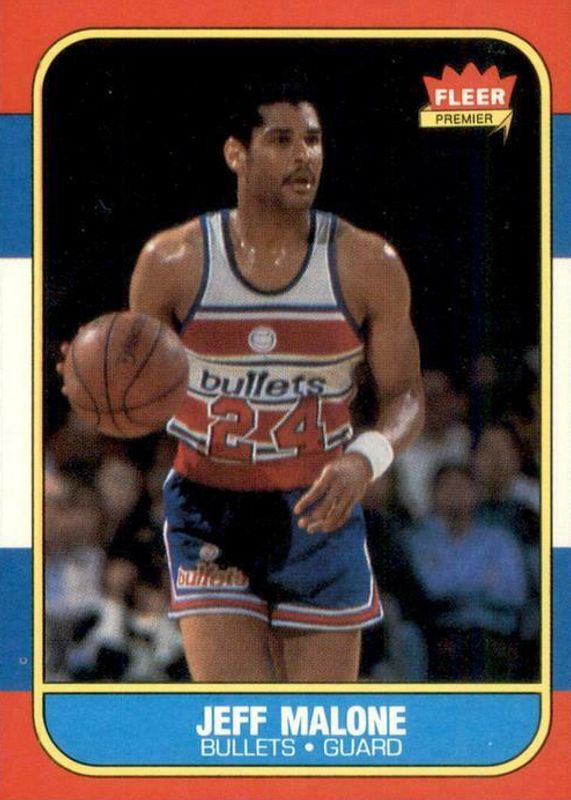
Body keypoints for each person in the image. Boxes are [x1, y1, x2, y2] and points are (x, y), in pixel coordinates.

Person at [126, 80, 424, 682]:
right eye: (282, 140)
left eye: (313, 140)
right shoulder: (170, 262)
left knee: (314, 725)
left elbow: (406, 395)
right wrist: (99, 392)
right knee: (239, 716)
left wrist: (364, 459)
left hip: (318, 506)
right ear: (236, 154)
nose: (304, 155)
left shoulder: (368, 262)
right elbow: (134, 398)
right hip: (209, 505)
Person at [403, 464, 528, 681]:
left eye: (462, 487)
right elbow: (429, 589)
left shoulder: (499, 539)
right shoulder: (418, 540)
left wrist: (452, 577)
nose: (455, 494)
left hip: (494, 634)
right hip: (442, 633)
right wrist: (483, 579)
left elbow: (514, 594)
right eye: (447, 487)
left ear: (476, 494)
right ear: (433, 495)